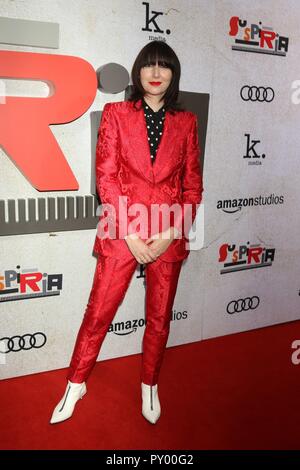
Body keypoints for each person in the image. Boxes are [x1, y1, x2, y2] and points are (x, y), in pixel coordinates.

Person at [50, 40, 203, 425]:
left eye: (163, 66)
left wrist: (171, 232)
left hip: (168, 231)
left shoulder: (186, 122)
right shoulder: (116, 114)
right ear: (137, 73)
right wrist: (131, 233)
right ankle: (76, 382)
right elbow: (107, 177)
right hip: (122, 229)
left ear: (173, 74)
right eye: (148, 66)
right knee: (98, 312)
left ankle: (149, 384)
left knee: (159, 317)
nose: (155, 73)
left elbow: (192, 185)